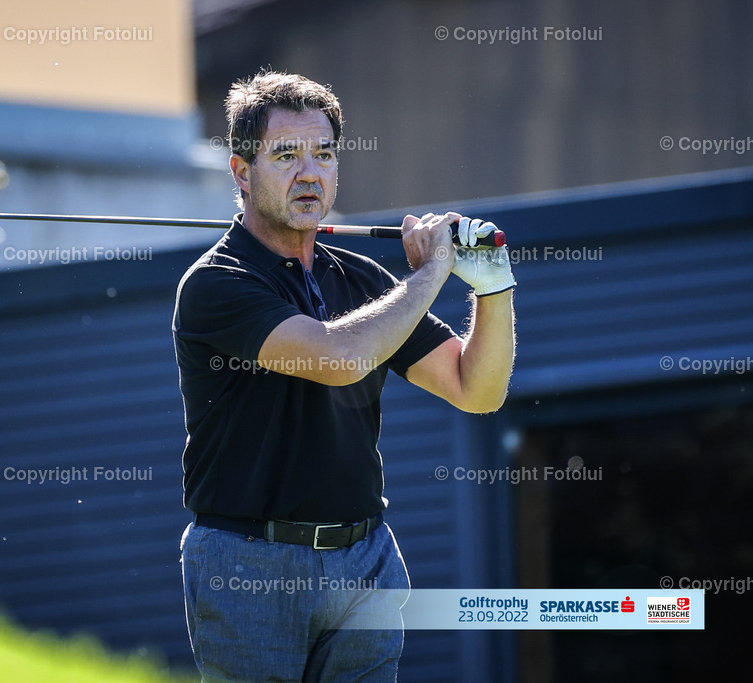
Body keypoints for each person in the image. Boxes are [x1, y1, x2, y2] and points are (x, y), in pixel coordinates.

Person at [173, 71, 516, 682]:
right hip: (249, 565)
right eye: (286, 155)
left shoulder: (360, 280)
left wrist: (492, 286)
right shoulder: (216, 285)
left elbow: (477, 389)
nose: (310, 173)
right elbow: (336, 359)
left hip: (365, 561)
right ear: (241, 171)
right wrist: (432, 272)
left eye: (324, 154)